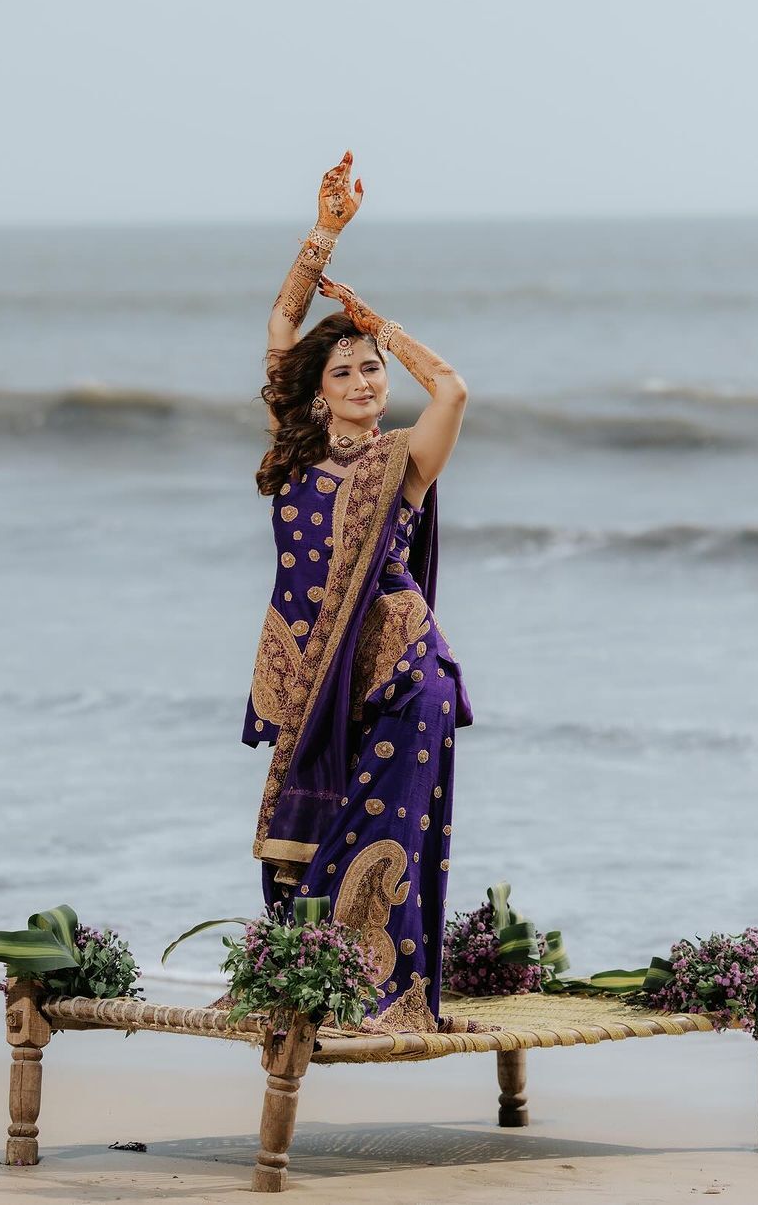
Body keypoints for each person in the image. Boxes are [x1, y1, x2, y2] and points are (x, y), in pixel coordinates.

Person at [242, 151, 472, 1032]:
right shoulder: (296, 446)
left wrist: (379, 324)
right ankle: (310, 978)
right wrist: (325, 234)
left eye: (371, 368)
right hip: (312, 676)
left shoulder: (403, 458)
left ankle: (379, 991)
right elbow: (279, 322)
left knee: (384, 835)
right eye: (343, 372)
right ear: (317, 392)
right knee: (305, 834)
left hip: (400, 674)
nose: (363, 381)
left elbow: (451, 387)